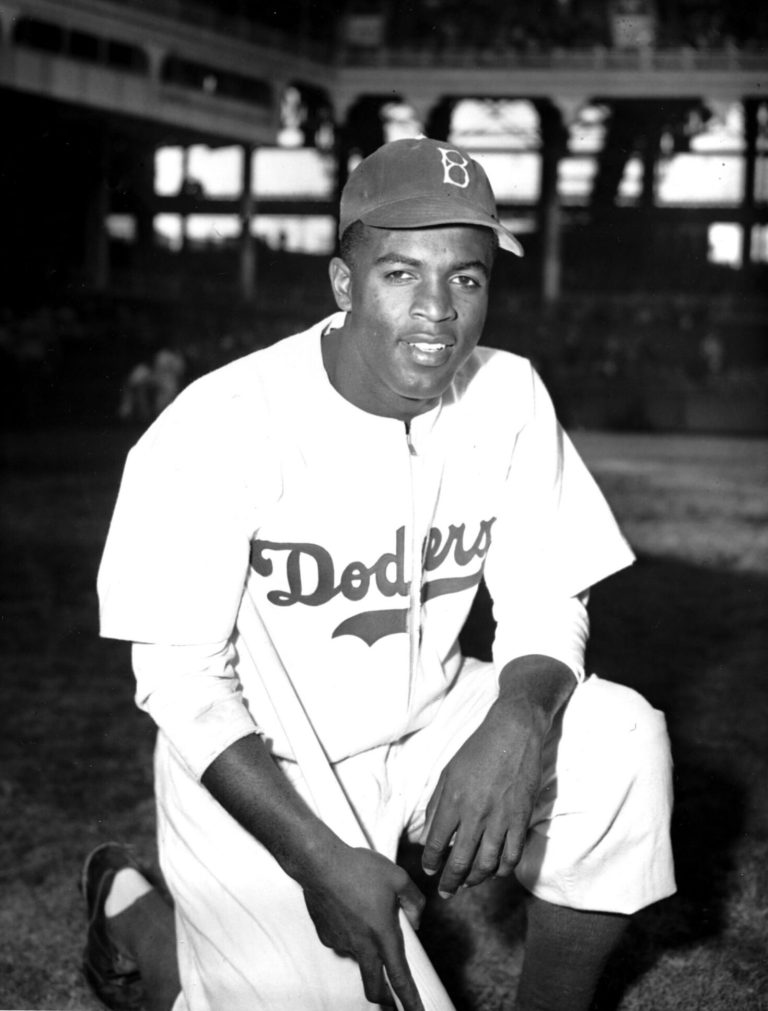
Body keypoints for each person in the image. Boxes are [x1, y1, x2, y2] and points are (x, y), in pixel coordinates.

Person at [85, 137, 675, 1011]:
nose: (439, 309)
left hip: (433, 722)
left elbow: (548, 594)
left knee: (619, 738)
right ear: (344, 283)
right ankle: (138, 920)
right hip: (269, 764)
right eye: (402, 272)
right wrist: (317, 860)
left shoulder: (508, 392)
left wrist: (517, 716)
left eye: (467, 277)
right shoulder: (219, 423)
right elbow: (178, 680)